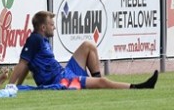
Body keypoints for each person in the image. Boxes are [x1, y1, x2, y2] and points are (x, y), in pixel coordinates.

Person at [9, 11, 158, 90]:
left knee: (88, 46)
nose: (54, 27)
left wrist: (18, 85)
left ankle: (95, 81)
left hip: (64, 73)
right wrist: (11, 86)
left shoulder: (41, 40)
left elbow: (28, 64)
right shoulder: (35, 39)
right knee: (103, 82)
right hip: (62, 81)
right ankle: (138, 87)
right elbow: (23, 64)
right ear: (43, 27)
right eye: (51, 25)